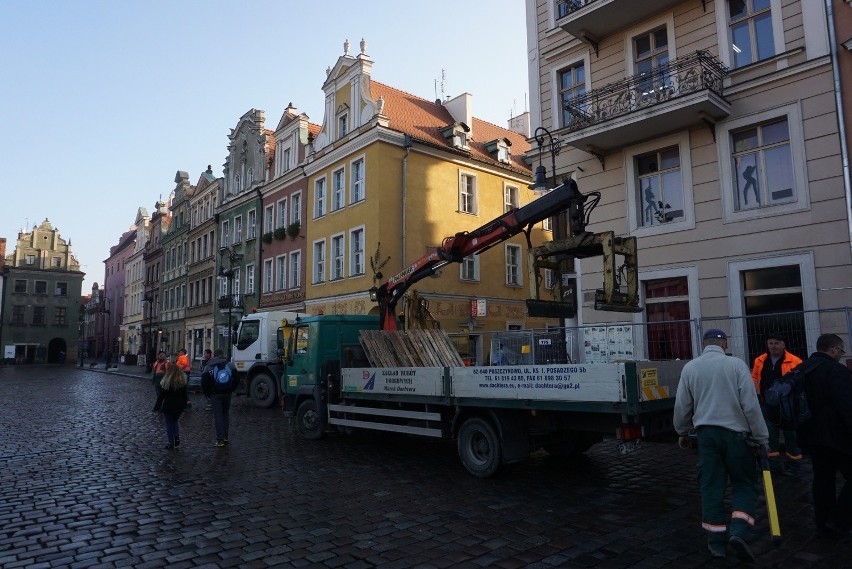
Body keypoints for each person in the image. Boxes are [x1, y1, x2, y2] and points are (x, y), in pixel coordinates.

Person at [673, 329, 769, 562]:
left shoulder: (691, 368)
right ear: (724, 343)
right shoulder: (736, 365)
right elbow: (750, 405)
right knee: (744, 484)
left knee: (711, 486)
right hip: (736, 436)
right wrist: (761, 437)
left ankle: (716, 542)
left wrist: (682, 432)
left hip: (706, 436)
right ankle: (739, 531)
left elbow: (683, 405)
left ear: (703, 344)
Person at [795, 333, 852, 537]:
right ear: (834, 350)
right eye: (841, 351)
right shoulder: (837, 371)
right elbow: (847, 405)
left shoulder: (802, 368)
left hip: (811, 435)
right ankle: (839, 520)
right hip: (837, 436)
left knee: (822, 480)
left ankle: (823, 523)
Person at [751, 332, 803, 474]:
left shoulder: (795, 361)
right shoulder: (760, 360)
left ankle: (794, 465)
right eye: (770, 343)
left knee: (790, 435)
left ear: (783, 345)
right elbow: (755, 379)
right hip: (767, 404)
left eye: (776, 343)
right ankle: (772, 465)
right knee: (769, 435)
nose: (773, 346)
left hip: (788, 406)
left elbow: (800, 383)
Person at [201, 348, 237, 447]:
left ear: (214, 355)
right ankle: (225, 437)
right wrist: (231, 389)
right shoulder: (229, 364)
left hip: (215, 394)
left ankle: (220, 440)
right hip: (227, 393)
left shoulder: (209, 366)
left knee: (218, 416)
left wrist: (207, 394)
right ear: (222, 354)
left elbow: (204, 382)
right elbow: (236, 378)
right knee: (225, 414)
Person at [153, 364, 189, 449]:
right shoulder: (182, 382)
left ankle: (171, 442)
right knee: (175, 422)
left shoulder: (166, 382)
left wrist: (156, 407)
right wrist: (185, 405)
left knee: (169, 424)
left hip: (169, 405)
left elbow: (161, 397)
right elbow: (185, 395)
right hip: (179, 406)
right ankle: (176, 437)